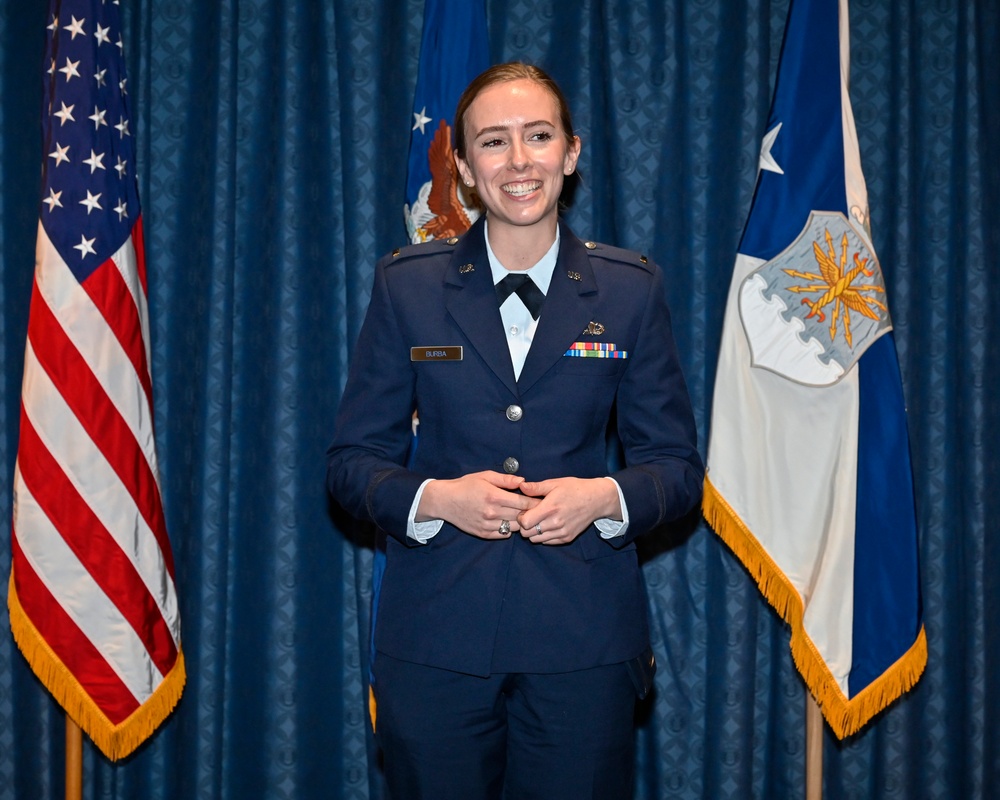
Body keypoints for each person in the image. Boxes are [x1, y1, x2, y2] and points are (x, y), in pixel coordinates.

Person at [326, 62, 703, 800]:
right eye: (493, 143)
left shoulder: (630, 290)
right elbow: (350, 463)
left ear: (571, 152)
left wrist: (602, 498)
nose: (519, 160)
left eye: (538, 136)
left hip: (583, 643)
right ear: (464, 168)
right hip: (436, 640)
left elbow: (676, 467)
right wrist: (437, 498)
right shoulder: (407, 285)